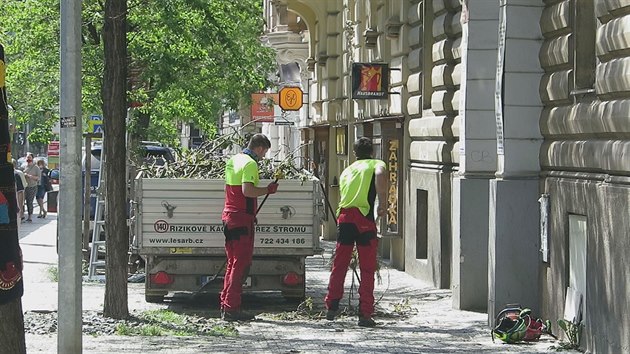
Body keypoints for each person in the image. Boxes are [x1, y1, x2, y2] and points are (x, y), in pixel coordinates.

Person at [324, 137, 387, 327]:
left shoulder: (347, 170)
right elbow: (381, 174)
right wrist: (383, 203)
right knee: (367, 268)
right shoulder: (376, 163)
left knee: (339, 264)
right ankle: (365, 314)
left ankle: (331, 308)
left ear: (354, 153)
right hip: (363, 219)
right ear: (372, 152)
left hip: (344, 219)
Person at [220, 133, 278, 321]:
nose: (263, 157)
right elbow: (247, 191)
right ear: (260, 148)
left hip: (229, 216)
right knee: (241, 264)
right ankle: (232, 308)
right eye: (264, 153)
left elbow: (233, 190)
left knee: (232, 263)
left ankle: (226, 304)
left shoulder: (234, 160)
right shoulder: (250, 164)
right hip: (240, 219)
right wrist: (267, 190)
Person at [22, 153, 41, 222]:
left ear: (32, 158)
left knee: (29, 201)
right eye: (27, 157)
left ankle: (30, 216)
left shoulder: (36, 168)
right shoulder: (24, 166)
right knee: (22, 202)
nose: (28, 159)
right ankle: (22, 215)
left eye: (29, 157)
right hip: (24, 187)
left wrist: (29, 176)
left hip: (32, 187)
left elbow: (38, 178)